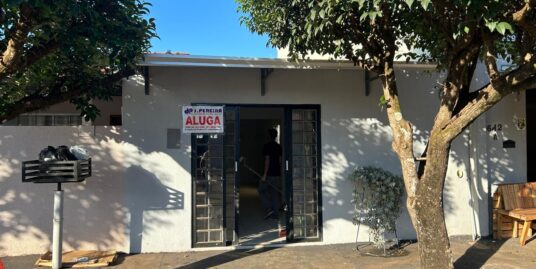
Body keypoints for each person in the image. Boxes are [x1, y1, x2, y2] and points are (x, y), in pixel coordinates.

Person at [259, 128, 282, 220]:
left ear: (269, 136)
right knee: (274, 193)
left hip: (269, 174)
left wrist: (264, 174)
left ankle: (269, 209)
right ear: (276, 136)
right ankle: (275, 215)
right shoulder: (278, 146)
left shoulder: (267, 146)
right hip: (277, 173)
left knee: (261, 190)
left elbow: (267, 160)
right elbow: (280, 161)